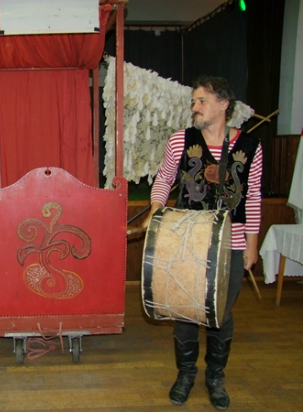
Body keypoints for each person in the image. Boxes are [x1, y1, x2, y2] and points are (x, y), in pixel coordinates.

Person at [141, 76, 263, 410]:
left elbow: (252, 196)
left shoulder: (251, 146)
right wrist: (155, 208)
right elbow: (164, 179)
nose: (194, 107)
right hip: (187, 240)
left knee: (220, 312)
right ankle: (186, 374)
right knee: (185, 309)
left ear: (223, 104)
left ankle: (215, 377)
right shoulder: (181, 141)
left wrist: (252, 244)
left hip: (231, 243)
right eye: (193, 101)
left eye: (202, 101)